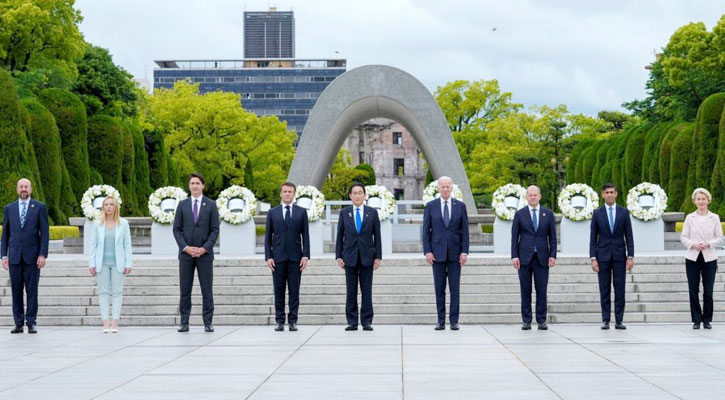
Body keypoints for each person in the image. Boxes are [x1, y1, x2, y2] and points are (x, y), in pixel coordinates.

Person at [173, 173, 220, 333]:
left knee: (207, 289)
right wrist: (185, 247)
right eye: (192, 183)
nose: (195, 186)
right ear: (189, 186)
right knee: (185, 290)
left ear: (203, 186)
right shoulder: (182, 205)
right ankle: (184, 323)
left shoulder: (211, 205)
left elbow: (215, 230)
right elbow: (177, 230)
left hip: (204, 255)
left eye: (198, 183)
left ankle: (208, 322)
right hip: (186, 255)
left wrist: (204, 248)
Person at [1, 178, 49, 334]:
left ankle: (31, 322)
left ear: (30, 189)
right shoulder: (9, 208)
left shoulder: (39, 207)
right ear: (17, 189)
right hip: (14, 257)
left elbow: (45, 234)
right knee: (16, 291)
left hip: (33, 258)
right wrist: (3, 255)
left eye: (26, 187)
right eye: (21, 187)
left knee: (32, 291)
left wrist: (42, 254)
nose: (23, 189)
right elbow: (5, 234)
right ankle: (18, 323)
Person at [422, 176, 469, 331]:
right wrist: (427, 251)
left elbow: (465, 232)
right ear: (438, 188)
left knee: (455, 289)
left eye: (448, 186)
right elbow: (426, 231)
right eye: (442, 186)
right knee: (439, 289)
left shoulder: (460, 206)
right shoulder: (431, 206)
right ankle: (440, 321)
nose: (445, 189)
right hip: (437, 254)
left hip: (455, 255)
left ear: (452, 188)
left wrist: (464, 252)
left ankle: (454, 321)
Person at [265, 182, 310, 332]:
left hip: (296, 258)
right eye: (285, 191)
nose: (287, 194)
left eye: (290, 191)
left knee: (294, 291)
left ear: (294, 194)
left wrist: (306, 256)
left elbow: (306, 236)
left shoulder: (301, 212)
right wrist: (268, 256)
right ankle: (279, 321)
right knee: (278, 290)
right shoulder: (273, 212)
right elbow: (267, 237)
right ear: (281, 194)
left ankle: (293, 321)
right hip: (277, 258)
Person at [336, 183, 382, 331]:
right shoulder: (344, 213)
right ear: (350, 196)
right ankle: (352, 321)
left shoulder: (372, 213)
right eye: (354, 193)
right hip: (349, 256)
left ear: (364, 195)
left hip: (367, 256)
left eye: (360, 193)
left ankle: (367, 320)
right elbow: (339, 236)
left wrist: (378, 256)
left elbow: (377, 236)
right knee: (351, 290)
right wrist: (338, 256)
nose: (357, 195)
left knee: (366, 290)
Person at [589, 183, 634, 330]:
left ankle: (619, 320)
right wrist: (593, 258)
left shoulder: (623, 212)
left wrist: (631, 256)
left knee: (620, 289)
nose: (609, 195)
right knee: (604, 289)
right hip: (602, 256)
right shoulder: (597, 213)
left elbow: (629, 236)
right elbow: (593, 237)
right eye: (606, 192)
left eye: (611, 192)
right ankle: (606, 319)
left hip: (620, 256)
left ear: (616, 194)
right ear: (602, 195)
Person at [511, 185, 556, 331]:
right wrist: (514, 256)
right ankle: (526, 320)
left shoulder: (548, 214)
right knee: (525, 290)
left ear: (540, 196)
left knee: (541, 290)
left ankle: (541, 320)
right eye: (530, 195)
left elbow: (553, 237)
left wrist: (553, 255)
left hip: (542, 257)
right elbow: (514, 237)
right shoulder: (520, 214)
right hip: (524, 258)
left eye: (535, 195)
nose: (533, 197)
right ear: (526, 197)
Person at [88, 196, 132, 333]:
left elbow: (127, 245)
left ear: (115, 207)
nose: (108, 207)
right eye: (106, 204)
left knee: (117, 292)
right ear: (103, 207)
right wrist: (92, 263)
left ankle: (115, 322)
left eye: (111, 204)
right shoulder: (97, 224)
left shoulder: (123, 224)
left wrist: (128, 262)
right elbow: (93, 245)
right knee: (104, 292)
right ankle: (106, 322)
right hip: (102, 263)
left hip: (118, 263)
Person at [680, 188, 723, 330]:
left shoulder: (714, 217)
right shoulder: (689, 218)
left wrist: (708, 244)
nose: (701, 201)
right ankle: (696, 320)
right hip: (692, 257)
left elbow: (720, 238)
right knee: (693, 289)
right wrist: (693, 244)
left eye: (703, 199)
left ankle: (707, 319)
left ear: (708, 200)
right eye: (698, 199)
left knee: (708, 290)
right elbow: (683, 237)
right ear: (694, 201)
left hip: (709, 257)